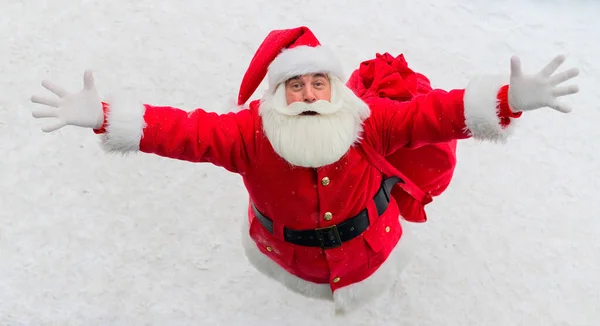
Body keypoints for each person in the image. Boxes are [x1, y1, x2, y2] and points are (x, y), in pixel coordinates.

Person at [29, 26, 580, 314]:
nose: (309, 93)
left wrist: (507, 100)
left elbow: (435, 113)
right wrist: (104, 117)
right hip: (287, 256)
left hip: (372, 249)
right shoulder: (249, 135)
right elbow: (182, 131)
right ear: (279, 93)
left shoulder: (370, 121)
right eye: (296, 85)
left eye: (318, 83)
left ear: (335, 89)